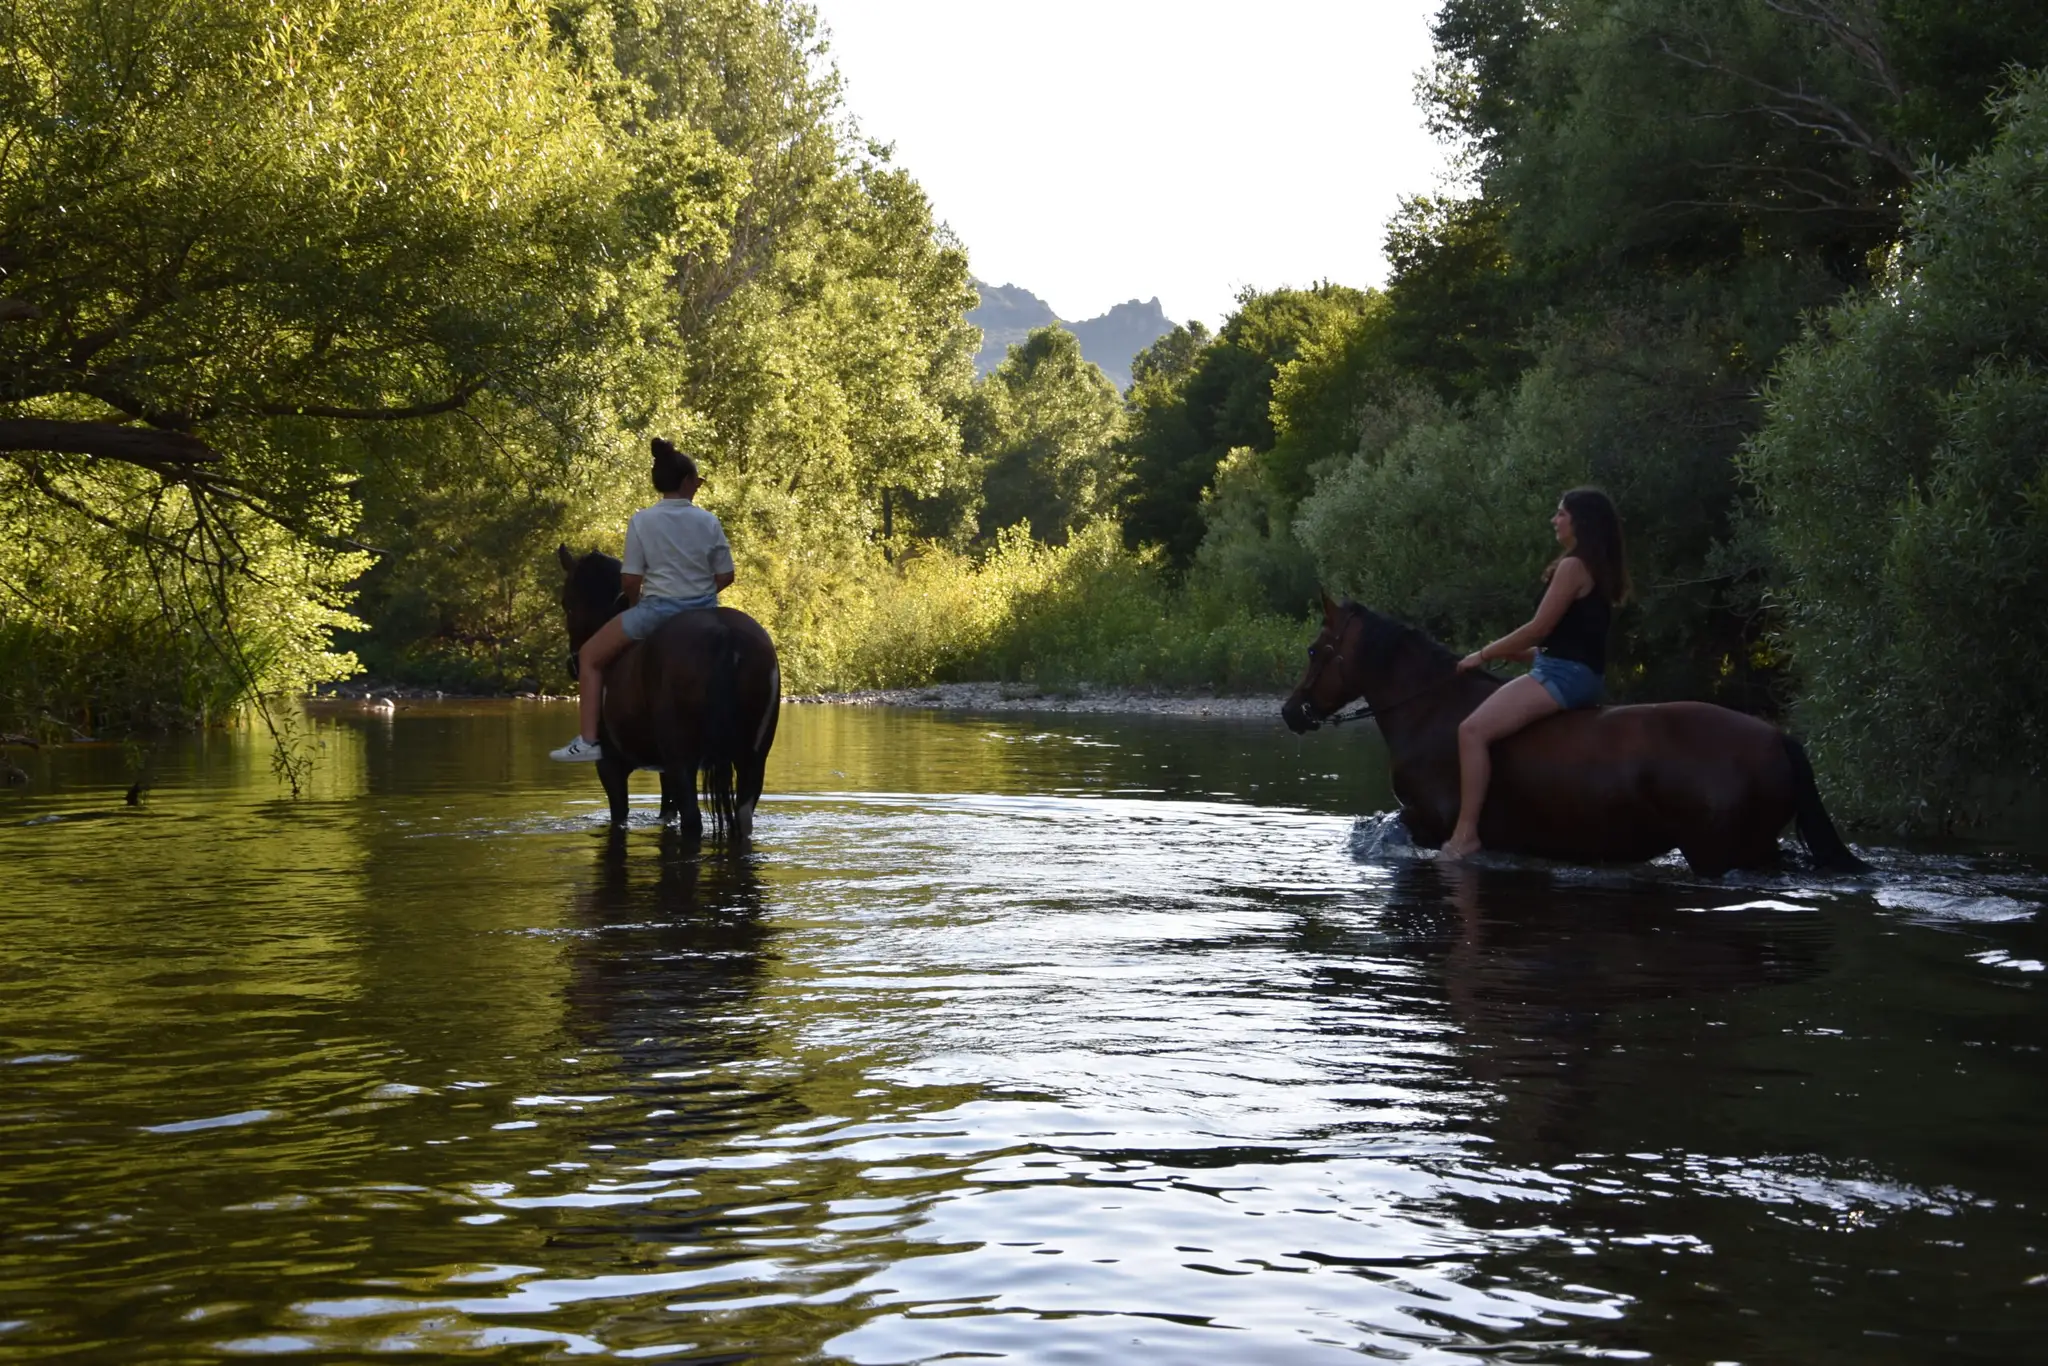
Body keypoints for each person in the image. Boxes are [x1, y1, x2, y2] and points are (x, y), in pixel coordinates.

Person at [1438, 487, 1630, 860]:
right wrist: (1518, 656)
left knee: (1471, 731)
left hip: (1564, 677)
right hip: (1577, 673)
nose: (1554, 520)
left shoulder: (1573, 567)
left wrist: (1483, 654)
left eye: (1560, 513)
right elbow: (1567, 642)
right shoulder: (1596, 569)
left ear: (1580, 522)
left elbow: (1539, 627)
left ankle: (1465, 836)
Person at [550, 438, 735, 762]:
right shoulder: (708, 520)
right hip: (704, 612)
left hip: (657, 610)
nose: (699, 486)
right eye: (698, 481)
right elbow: (726, 576)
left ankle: (589, 741)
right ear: (688, 482)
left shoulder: (642, 520)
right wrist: (699, 595)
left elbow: (630, 579)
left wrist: (637, 604)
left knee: (590, 656)